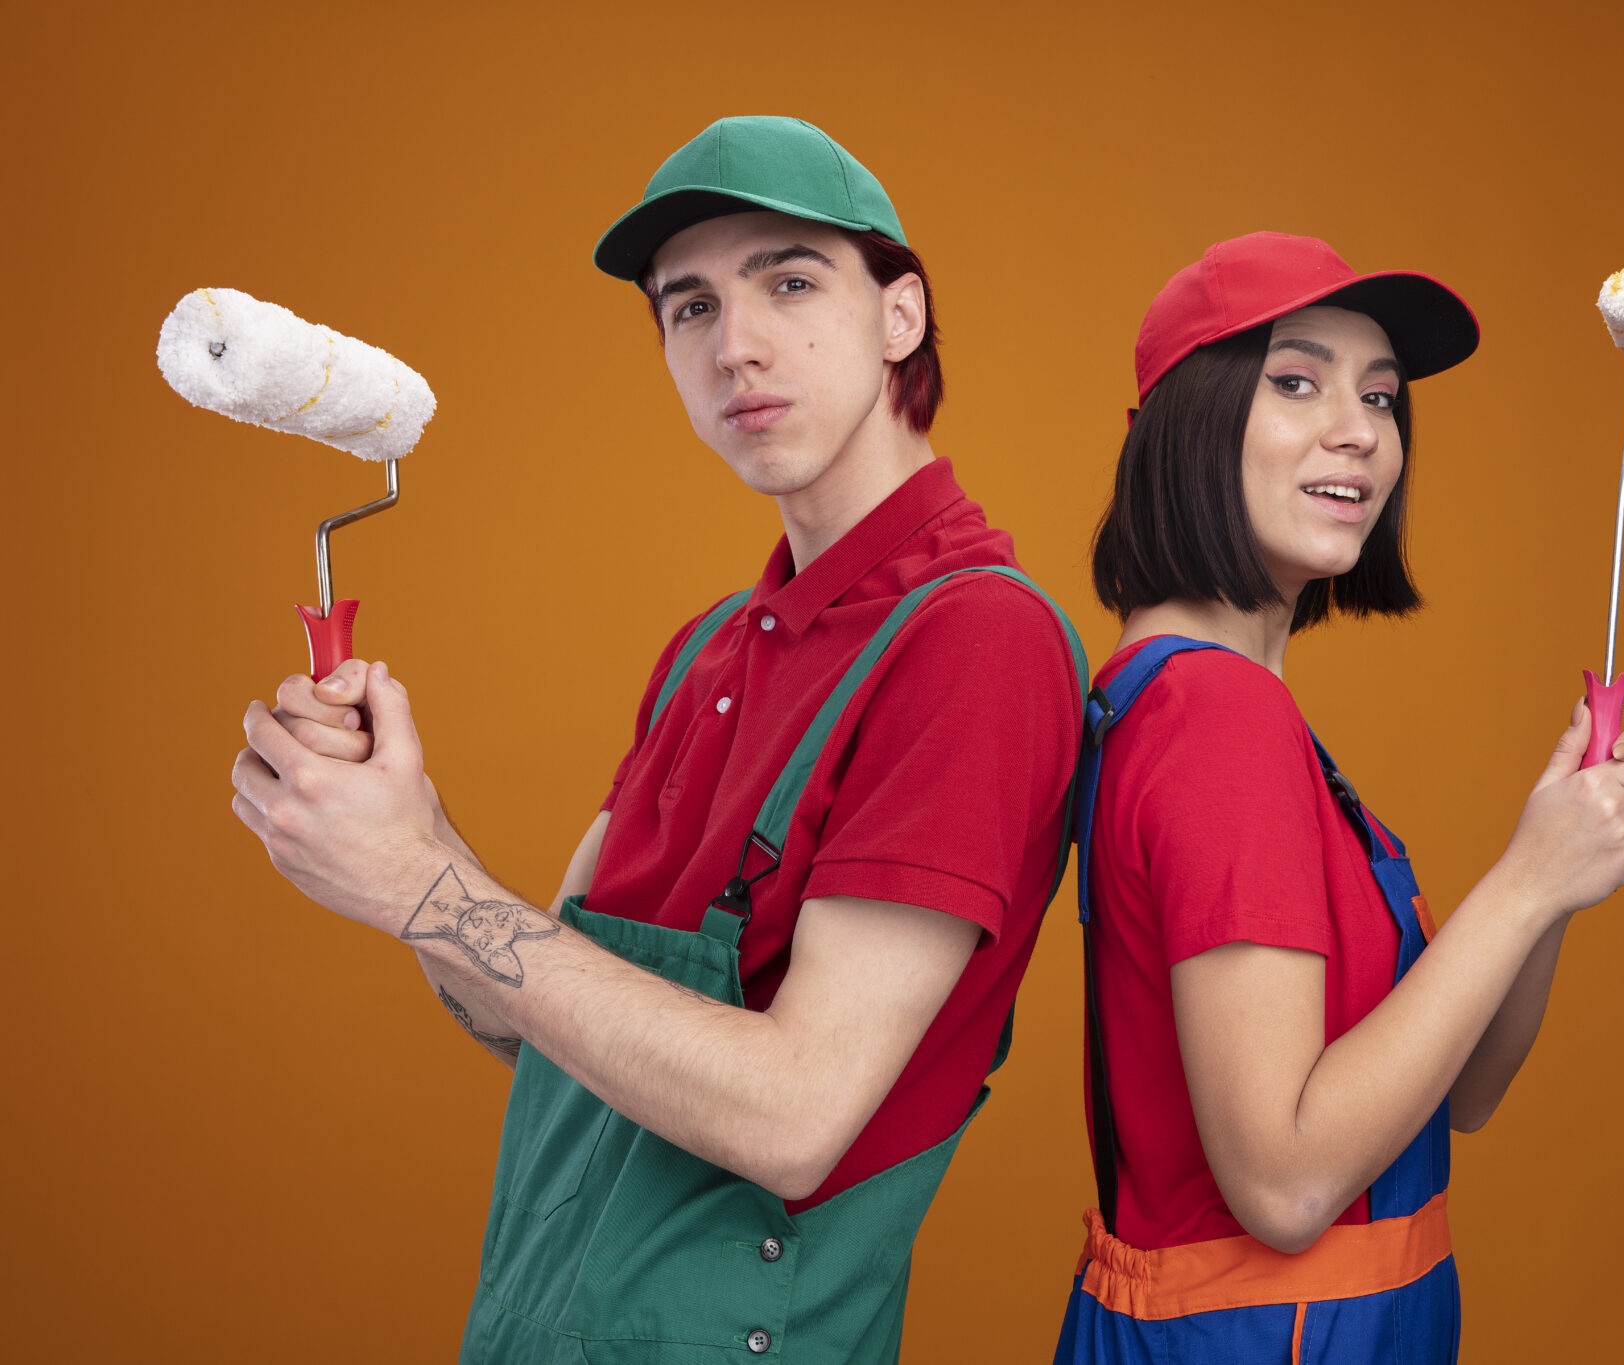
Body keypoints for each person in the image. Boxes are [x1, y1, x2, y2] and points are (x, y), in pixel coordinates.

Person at [230, 115, 1087, 1363]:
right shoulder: (711, 651)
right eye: (689, 309)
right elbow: (523, 1015)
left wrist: (419, 884)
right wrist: (405, 835)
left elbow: (800, 1112)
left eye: (789, 281)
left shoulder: (975, 644)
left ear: (899, 315)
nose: (735, 348)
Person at [1052, 232, 1624, 1363]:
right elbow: (1285, 1184)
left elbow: (1463, 1089)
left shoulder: (1195, 706)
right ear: (1184, 427)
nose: (1360, 430)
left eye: (1380, 398)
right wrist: (1524, 880)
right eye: (1294, 381)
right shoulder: (1215, 721)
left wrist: (1544, 884)